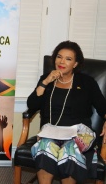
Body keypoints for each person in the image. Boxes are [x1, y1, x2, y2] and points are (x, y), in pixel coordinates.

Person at [28, 40, 106, 184]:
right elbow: (31, 105)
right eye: (59, 56)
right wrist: (45, 82)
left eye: (68, 59)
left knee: (69, 151)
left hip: (80, 133)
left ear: (75, 64)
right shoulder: (46, 80)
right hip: (51, 132)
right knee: (45, 149)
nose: (62, 61)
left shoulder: (86, 82)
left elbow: (103, 107)